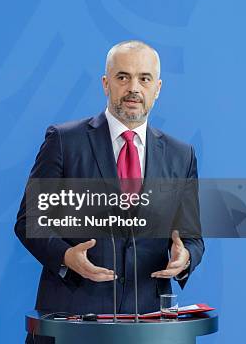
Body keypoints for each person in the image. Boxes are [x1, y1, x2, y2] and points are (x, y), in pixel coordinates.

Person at [14, 40, 204, 344]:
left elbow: (192, 236)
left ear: (157, 88)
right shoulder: (64, 141)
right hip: (73, 320)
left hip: (150, 324)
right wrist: (66, 256)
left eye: (144, 78)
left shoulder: (181, 155)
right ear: (106, 83)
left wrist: (185, 258)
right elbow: (28, 221)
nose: (133, 88)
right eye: (122, 77)